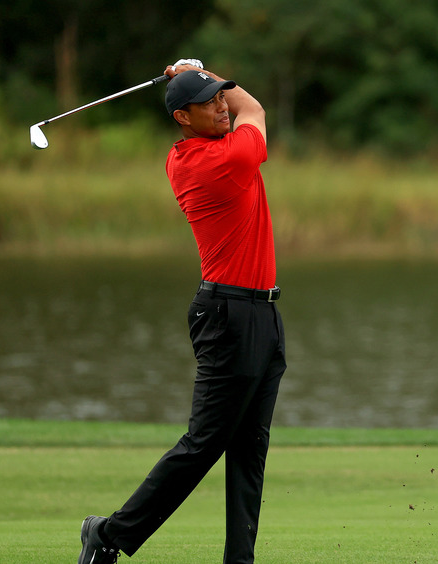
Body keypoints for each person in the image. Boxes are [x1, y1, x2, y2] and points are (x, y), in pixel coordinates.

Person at [78, 62, 286, 564]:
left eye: (221, 98)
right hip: (229, 314)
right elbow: (253, 110)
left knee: (249, 450)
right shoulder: (225, 161)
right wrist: (200, 68)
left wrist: (200, 77)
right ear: (182, 117)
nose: (221, 105)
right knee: (203, 445)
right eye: (209, 101)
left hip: (261, 313)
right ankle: (108, 534)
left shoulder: (185, 156)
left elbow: (236, 109)